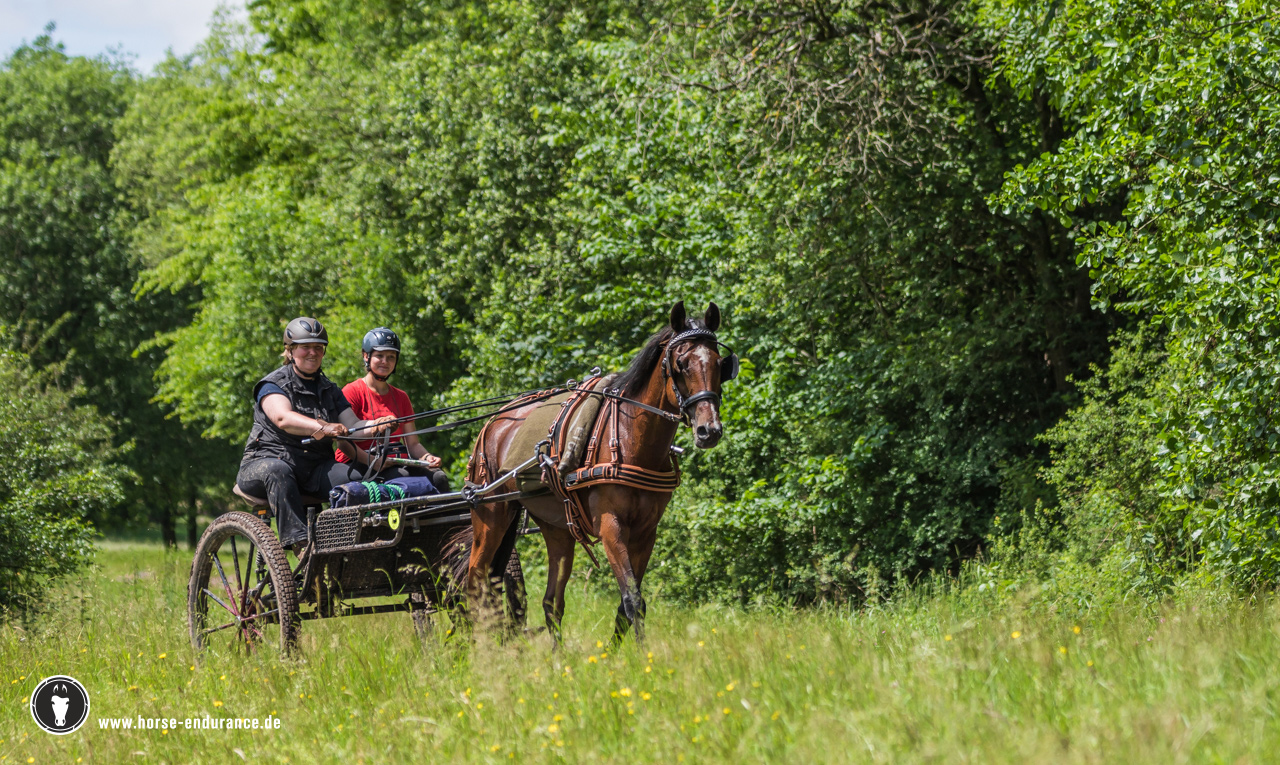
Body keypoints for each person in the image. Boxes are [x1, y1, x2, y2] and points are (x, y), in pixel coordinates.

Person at [235, 317, 393, 552]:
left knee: (360, 479)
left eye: (318, 347)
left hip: (315, 468)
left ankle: (344, 545)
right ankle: (303, 546)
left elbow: (353, 425)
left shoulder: (329, 389)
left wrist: (377, 425)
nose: (313, 352)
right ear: (290, 350)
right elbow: (283, 418)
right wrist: (323, 426)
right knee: (278, 470)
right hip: (264, 465)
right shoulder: (272, 384)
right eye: (305, 347)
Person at [337, 327, 451, 492]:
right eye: (379, 356)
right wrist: (373, 461)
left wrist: (427, 457)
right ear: (366, 356)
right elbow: (343, 443)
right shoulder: (352, 391)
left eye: (391, 357)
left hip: (394, 461)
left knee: (438, 477)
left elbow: (412, 444)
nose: (385, 361)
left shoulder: (401, 397)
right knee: (402, 477)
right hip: (360, 462)